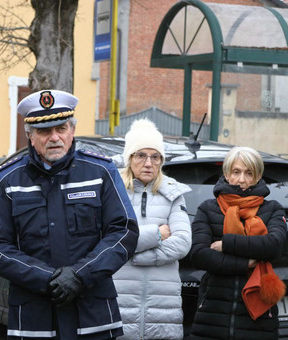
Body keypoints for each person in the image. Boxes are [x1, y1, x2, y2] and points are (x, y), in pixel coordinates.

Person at [0, 89, 139, 340]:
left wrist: (79, 275)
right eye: (44, 131)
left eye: (61, 128)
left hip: (92, 315)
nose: (54, 137)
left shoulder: (100, 171)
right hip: (34, 317)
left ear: (72, 131)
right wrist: (46, 279)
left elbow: (123, 232)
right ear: (30, 137)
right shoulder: (7, 180)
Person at [189, 146, 287, 339]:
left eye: (249, 173)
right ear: (227, 174)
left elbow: (274, 246)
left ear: (258, 176)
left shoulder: (273, 209)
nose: (242, 180)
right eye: (236, 172)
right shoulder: (208, 208)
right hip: (213, 316)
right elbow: (199, 254)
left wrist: (226, 244)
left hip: (258, 322)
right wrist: (245, 262)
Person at [111, 119, 192, 340]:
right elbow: (110, 241)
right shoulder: (112, 191)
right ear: (129, 158)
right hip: (119, 304)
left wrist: (135, 255)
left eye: (155, 156)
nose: (148, 163)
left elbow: (183, 242)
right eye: (141, 155)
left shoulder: (173, 193)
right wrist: (157, 235)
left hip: (164, 309)